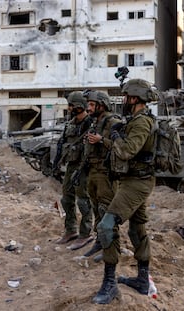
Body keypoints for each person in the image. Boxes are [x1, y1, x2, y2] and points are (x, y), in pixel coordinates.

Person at [92, 79, 159, 304]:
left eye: (126, 97)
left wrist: (117, 137)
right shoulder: (137, 119)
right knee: (137, 228)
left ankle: (109, 284)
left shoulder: (141, 123)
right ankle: (142, 279)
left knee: (106, 225)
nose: (123, 101)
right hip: (133, 179)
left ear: (134, 98)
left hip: (136, 183)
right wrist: (112, 139)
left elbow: (128, 151)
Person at [80, 90, 122, 258]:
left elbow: (122, 147)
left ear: (101, 105)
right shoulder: (95, 123)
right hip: (93, 171)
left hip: (106, 173)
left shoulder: (114, 122)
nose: (88, 108)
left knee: (107, 210)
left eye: (91, 105)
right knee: (97, 209)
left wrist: (101, 140)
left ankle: (111, 248)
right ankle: (100, 242)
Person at [55, 91, 94, 250]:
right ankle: (70, 230)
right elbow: (61, 143)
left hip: (84, 166)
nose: (69, 108)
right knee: (66, 199)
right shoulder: (70, 123)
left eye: (72, 105)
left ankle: (85, 233)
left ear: (79, 106)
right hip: (71, 165)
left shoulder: (90, 123)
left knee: (83, 201)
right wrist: (56, 163)